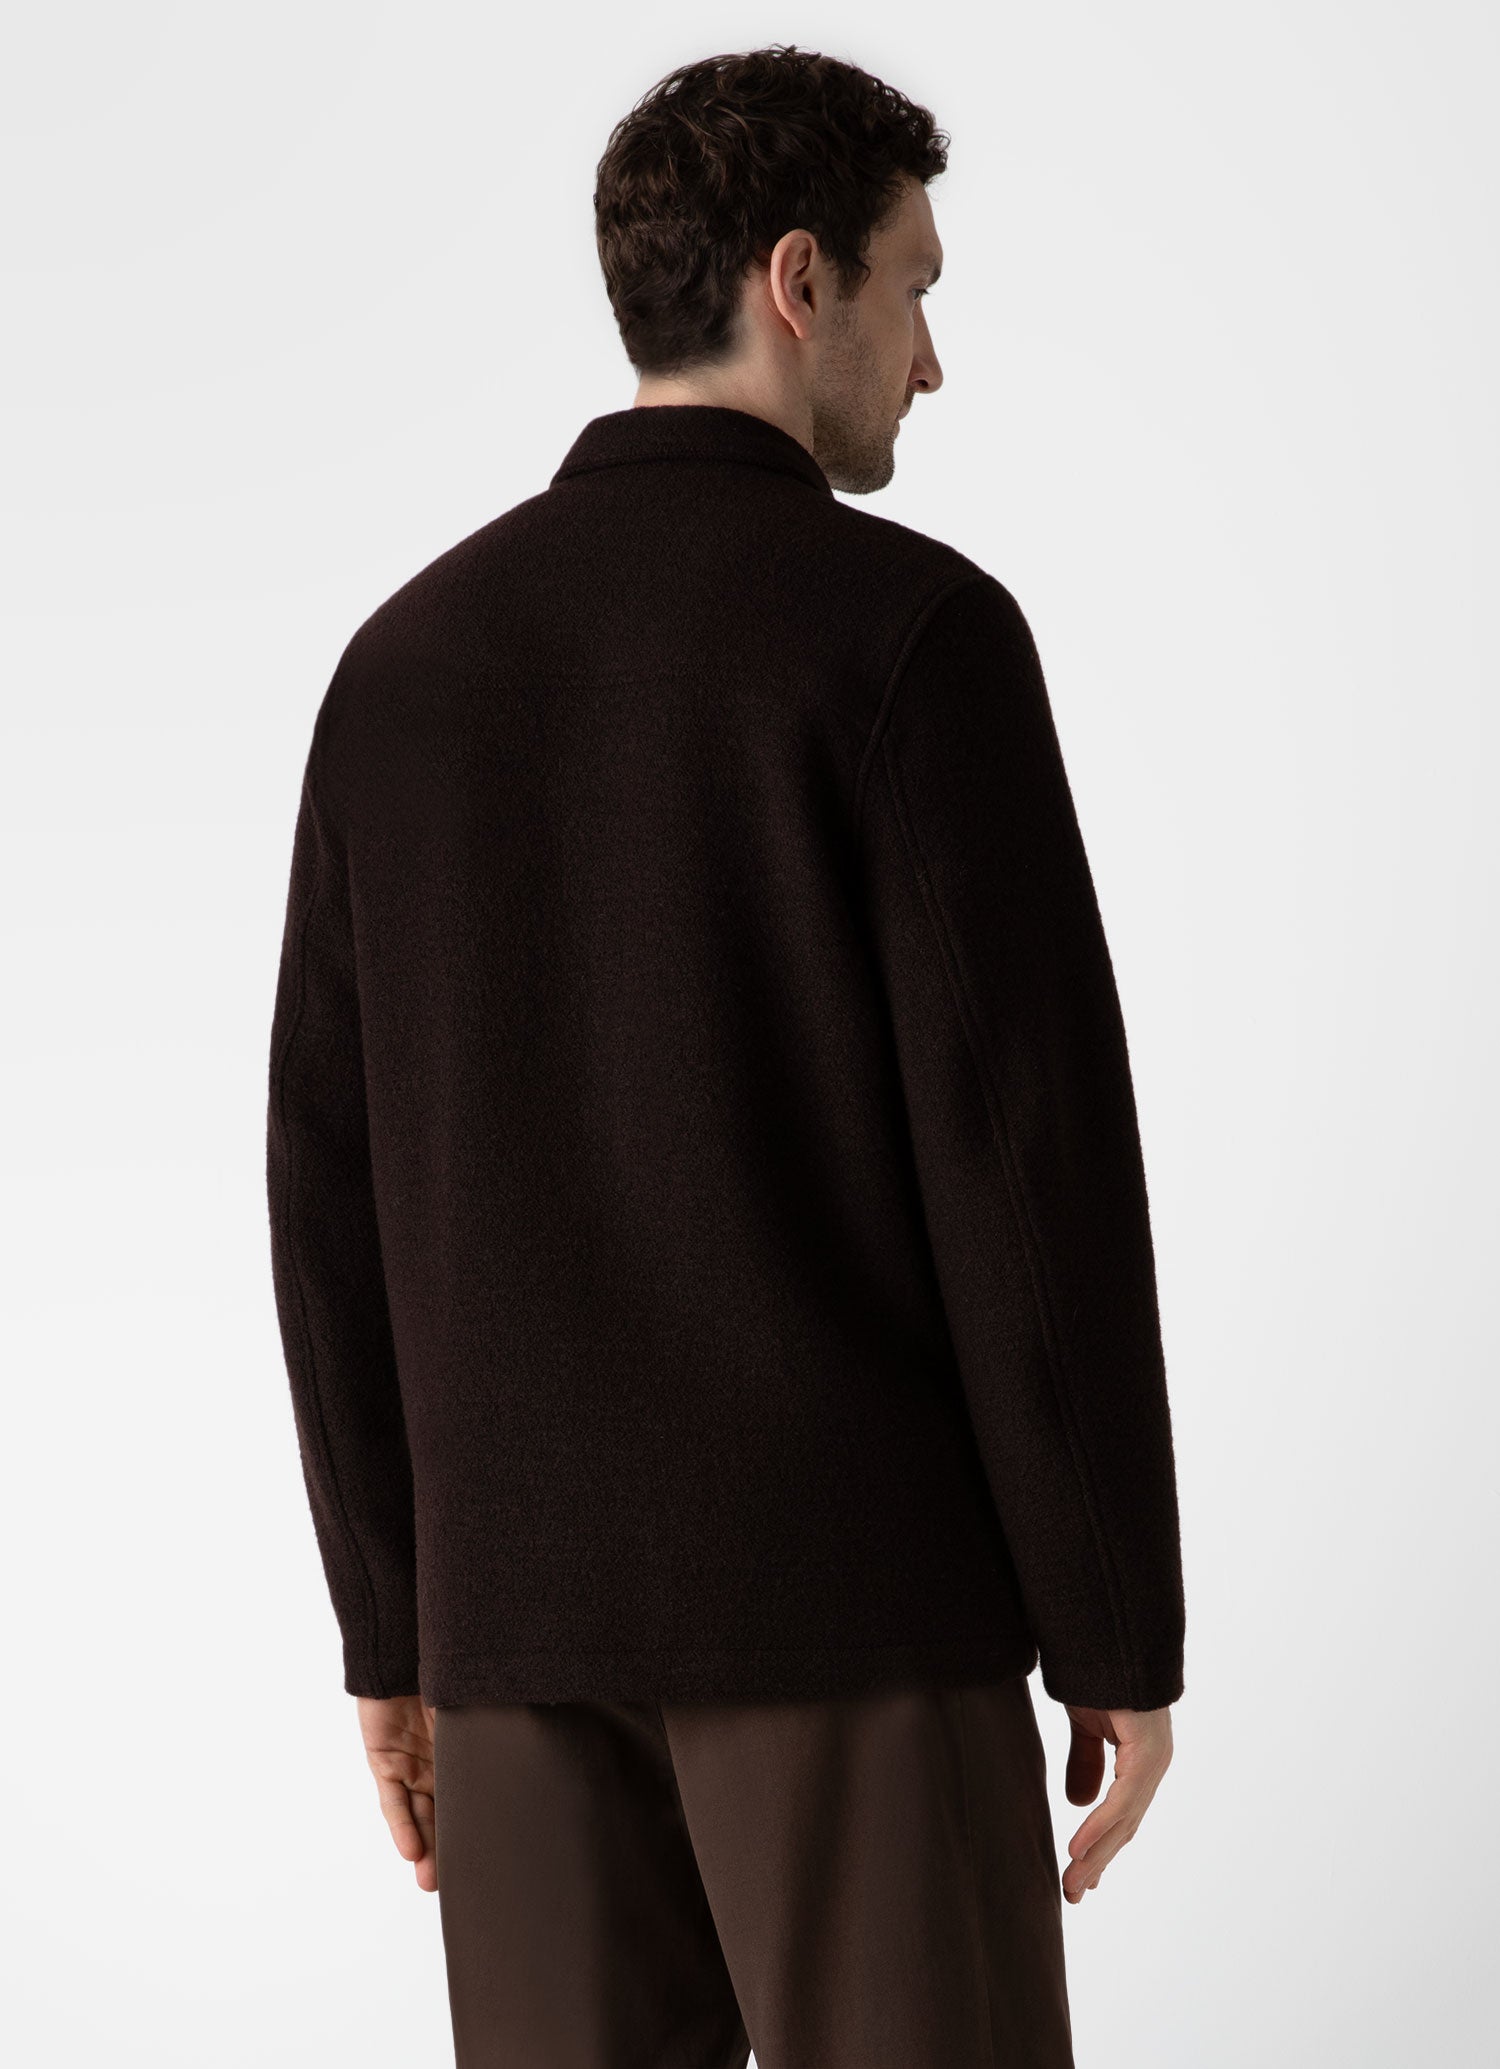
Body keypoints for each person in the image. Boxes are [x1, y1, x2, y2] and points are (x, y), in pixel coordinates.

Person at [265, 42, 1186, 2069]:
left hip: (514, 1644)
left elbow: (324, 1192)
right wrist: (1115, 1620)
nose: (930, 360)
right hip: (858, 1621)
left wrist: (392, 1626)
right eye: (914, 289)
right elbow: (1024, 1162)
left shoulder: (401, 669)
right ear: (799, 279)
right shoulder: (912, 638)